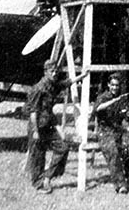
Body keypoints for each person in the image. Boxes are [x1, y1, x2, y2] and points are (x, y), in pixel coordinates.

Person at [26, 59, 85, 194]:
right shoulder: (38, 89)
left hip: (48, 125)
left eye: (55, 71)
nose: (54, 74)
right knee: (38, 157)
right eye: (51, 71)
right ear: (45, 72)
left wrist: (82, 76)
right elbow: (33, 112)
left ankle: (47, 176)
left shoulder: (52, 86)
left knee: (63, 147)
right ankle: (39, 184)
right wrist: (35, 131)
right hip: (38, 127)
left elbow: (66, 83)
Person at [94, 73, 129, 194]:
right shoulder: (103, 97)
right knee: (113, 152)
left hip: (117, 130)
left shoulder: (122, 99)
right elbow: (98, 108)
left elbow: (123, 115)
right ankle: (120, 184)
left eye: (117, 85)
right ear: (108, 85)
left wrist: (128, 114)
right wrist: (114, 101)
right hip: (105, 131)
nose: (115, 88)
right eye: (112, 85)